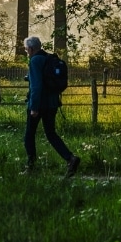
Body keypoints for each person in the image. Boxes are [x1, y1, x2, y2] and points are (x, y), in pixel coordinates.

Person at [23, 36, 80, 177]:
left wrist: (34, 107)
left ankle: (31, 166)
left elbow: (36, 86)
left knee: (29, 134)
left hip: (39, 104)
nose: (26, 52)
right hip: (52, 103)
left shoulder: (35, 61)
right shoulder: (49, 58)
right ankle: (70, 158)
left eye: (26, 49)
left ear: (31, 49)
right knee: (50, 133)